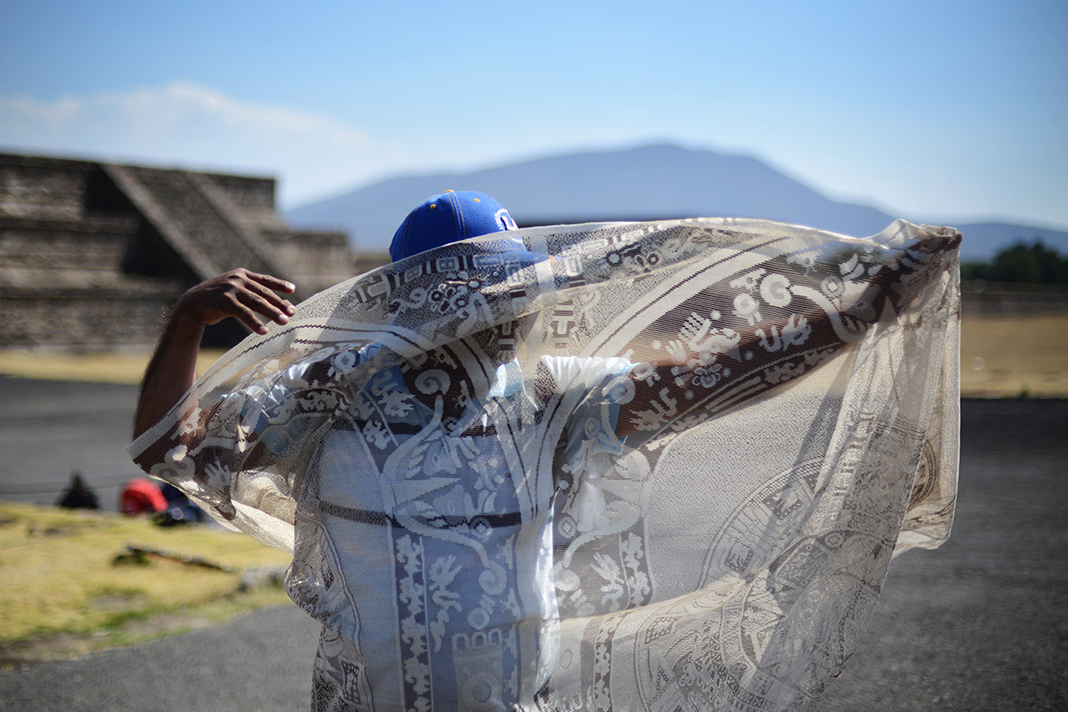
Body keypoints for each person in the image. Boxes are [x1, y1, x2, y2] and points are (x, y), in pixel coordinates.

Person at [131, 192, 962, 711]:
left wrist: (862, 306)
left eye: (512, 294)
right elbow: (168, 450)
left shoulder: (552, 397)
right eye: (490, 297)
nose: (508, 315)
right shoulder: (320, 396)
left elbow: (718, 375)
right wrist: (188, 321)